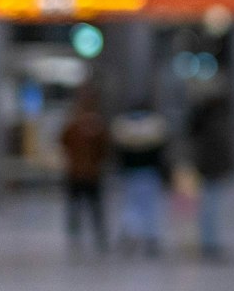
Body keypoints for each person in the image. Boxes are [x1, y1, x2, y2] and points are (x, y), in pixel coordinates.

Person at [111, 101, 169, 256]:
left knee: (132, 205)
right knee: (150, 207)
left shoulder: (124, 126)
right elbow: (161, 149)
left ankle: (132, 233)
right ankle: (150, 237)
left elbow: (118, 151)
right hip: (149, 171)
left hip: (131, 171)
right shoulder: (154, 125)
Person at [60, 90, 110, 253]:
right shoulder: (75, 127)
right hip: (80, 173)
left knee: (91, 206)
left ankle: (91, 234)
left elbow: (103, 148)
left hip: (87, 173)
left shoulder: (93, 128)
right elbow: (64, 141)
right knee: (80, 206)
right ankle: (77, 234)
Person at [187, 94, 234, 261]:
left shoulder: (204, 127)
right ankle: (209, 243)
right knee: (209, 209)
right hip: (210, 172)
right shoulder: (212, 126)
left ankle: (209, 242)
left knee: (208, 208)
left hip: (207, 172)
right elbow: (216, 152)